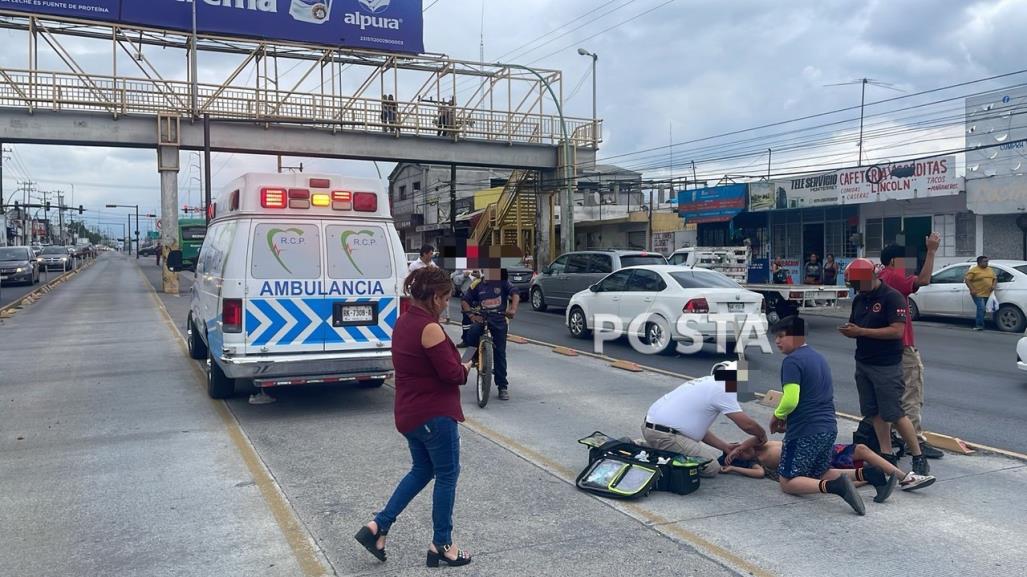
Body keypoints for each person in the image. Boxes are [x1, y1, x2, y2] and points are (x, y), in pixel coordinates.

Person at [355, 267, 473, 568]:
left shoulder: (404, 321)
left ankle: (378, 526)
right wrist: (465, 369)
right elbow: (451, 373)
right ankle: (442, 544)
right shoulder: (430, 328)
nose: (447, 303)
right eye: (445, 297)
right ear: (434, 297)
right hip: (434, 415)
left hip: (410, 414)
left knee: (422, 470)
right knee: (447, 475)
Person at [755, 315, 865, 514]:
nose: (777, 341)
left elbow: (790, 399)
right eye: (775, 337)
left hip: (805, 430)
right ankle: (871, 475)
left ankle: (836, 487)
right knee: (820, 471)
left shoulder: (792, 361)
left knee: (787, 482)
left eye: (782, 336)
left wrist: (777, 415)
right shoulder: (818, 357)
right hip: (828, 427)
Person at [839, 258, 930, 476]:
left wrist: (861, 332)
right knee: (874, 412)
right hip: (863, 362)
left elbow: (897, 331)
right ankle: (886, 455)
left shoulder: (892, 297)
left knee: (894, 412)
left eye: (856, 284)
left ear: (871, 277)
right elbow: (858, 325)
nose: (855, 289)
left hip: (886, 365)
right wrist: (852, 330)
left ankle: (918, 456)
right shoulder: (860, 300)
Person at [878, 236, 945, 460]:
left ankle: (897, 435)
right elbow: (924, 280)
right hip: (902, 346)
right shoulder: (894, 276)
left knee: (892, 393)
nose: (908, 266)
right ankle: (914, 440)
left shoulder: (880, 277)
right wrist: (932, 251)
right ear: (893, 261)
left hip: (884, 348)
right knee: (911, 392)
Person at [641, 361, 768, 479]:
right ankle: (642, 447)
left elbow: (698, 430)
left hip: (652, 427)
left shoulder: (706, 381)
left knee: (690, 447)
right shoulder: (722, 389)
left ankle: (651, 446)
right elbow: (747, 425)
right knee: (711, 468)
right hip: (665, 435)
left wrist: (725, 446)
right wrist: (761, 435)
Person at [724, 440, 936, 498]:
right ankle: (873, 478)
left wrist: (740, 446)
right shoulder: (757, 463)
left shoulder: (761, 444)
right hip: (809, 465)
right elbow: (758, 473)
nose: (741, 451)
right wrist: (733, 468)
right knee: (835, 477)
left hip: (817, 449)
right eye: (739, 455)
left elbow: (758, 434)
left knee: (861, 449)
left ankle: (904, 477)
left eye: (739, 448)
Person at [461, 267, 518, 400]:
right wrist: (471, 316)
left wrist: (513, 309)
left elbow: (515, 293)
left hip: (499, 319)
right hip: (481, 318)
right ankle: (469, 360)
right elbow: (465, 300)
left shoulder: (503, 282)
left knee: (500, 353)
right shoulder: (477, 284)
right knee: (472, 333)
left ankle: (502, 386)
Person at [965, 255, 997, 331]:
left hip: (988, 293)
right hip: (977, 293)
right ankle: (979, 325)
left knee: (983, 309)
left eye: (987, 261)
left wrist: (993, 285)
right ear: (979, 262)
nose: (987, 263)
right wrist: (972, 289)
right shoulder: (974, 270)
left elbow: (995, 279)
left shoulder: (990, 270)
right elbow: (967, 280)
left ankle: (981, 322)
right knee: (981, 308)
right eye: (985, 262)